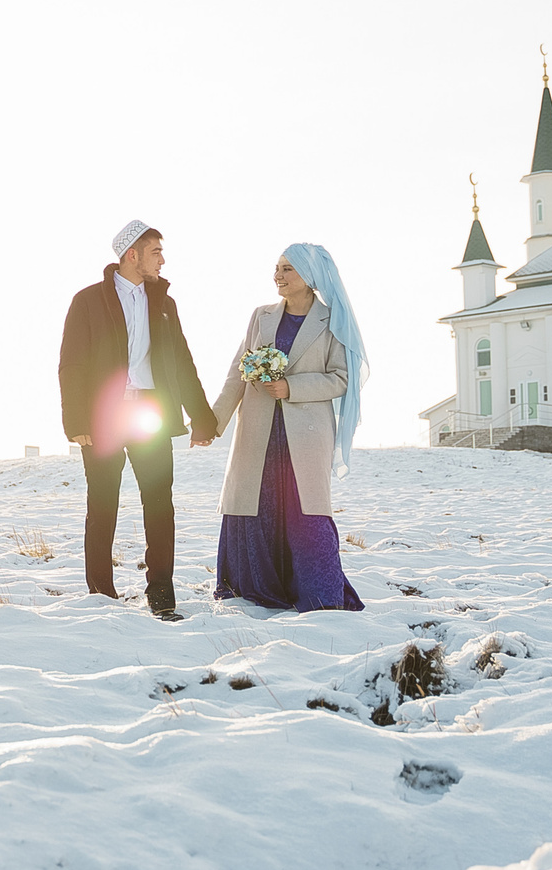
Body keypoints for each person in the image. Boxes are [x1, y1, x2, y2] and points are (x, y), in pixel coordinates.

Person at [58, 220, 217, 620]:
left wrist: (201, 416)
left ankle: (162, 596)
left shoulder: (164, 303)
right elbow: (71, 364)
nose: (162, 261)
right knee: (103, 504)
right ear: (133, 255)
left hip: (150, 412)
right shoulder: (87, 301)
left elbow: (181, 360)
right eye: (156, 252)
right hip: (104, 416)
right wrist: (76, 419)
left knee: (160, 504)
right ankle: (101, 595)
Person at [212, 243, 369, 613]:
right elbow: (238, 372)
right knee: (254, 504)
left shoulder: (333, 321)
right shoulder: (261, 316)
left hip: (306, 434)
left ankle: (317, 595)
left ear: (309, 277)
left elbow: (342, 379)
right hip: (258, 430)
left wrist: (291, 387)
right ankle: (253, 589)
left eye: (288, 270)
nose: (278, 276)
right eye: (277, 268)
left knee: (305, 512)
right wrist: (213, 423)